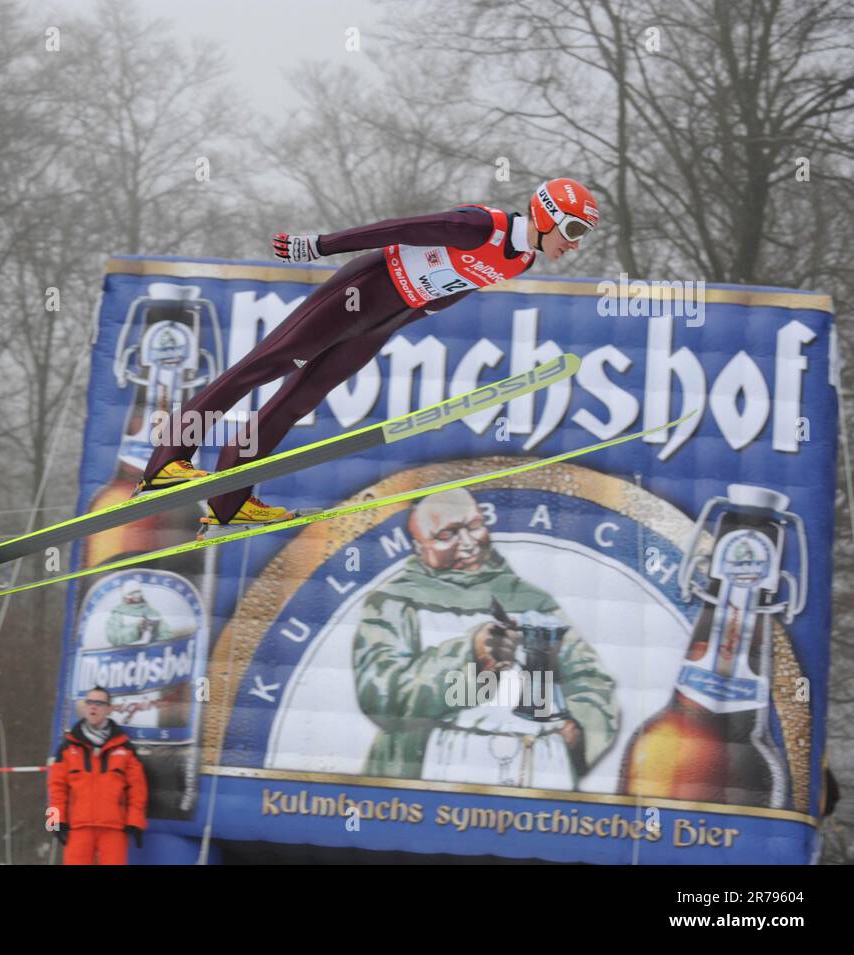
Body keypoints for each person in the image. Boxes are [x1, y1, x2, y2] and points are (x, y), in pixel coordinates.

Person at [137, 179, 600, 528]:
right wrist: (320, 245)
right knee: (264, 365)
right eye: (574, 228)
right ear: (544, 215)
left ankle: (229, 500)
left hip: (387, 316)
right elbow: (397, 229)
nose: (575, 242)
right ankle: (165, 463)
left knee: (300, 399)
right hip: (365, 289)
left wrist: (408, 317)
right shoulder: (484, 227)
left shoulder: (521, 259)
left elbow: (453, 286)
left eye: (583, 234)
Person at [351, 489, 618, 788]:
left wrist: (579, 732)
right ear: (419, 547)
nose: (467, 544)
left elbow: (591, 679)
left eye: (474, 526)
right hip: (434, 767)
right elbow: (380, 695)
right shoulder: (395, 602)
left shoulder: (530, 599)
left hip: (534, 767)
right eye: (447, 535)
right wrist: (469, 654)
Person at [46, 685, 148, 865]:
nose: (93, 707)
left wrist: (136, 820)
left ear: (109, 709)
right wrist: (54, 821)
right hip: (78, 829)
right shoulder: (68, 747)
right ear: (85, 707)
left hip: (114, 829)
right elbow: (55, 787)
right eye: (90, 702)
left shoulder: (124, 747)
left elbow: (137, 788)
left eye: (99, 703)